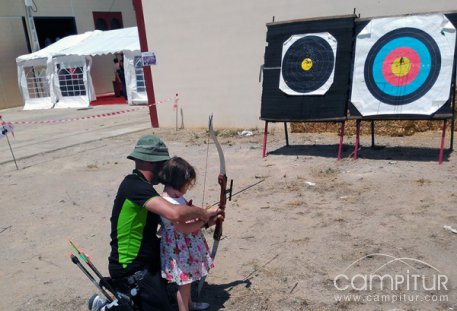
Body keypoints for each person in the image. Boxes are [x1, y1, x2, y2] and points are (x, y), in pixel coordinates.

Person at [91, 135, 222, 311]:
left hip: (149, 257)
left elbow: (173, 228)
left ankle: (128, 293)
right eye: (164, 165)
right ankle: (108, 306)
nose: (166, 171)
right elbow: (175, 214)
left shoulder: (145, 187)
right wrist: (203, 213)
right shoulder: (135, 187)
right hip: (130, 267)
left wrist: (206, 223)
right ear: (153, 163)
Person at [158, 157, 216, 311]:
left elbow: (188, 210)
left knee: (187, 282)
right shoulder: (167, 202)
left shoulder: (176, 195)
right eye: (187, 184)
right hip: (179, 250)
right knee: (184, 287)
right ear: (177, 182)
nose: (188, 187)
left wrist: (207, 214)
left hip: (184, 247)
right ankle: (185, 307)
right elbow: (184, 229)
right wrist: (204, 221)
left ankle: (190, 304)